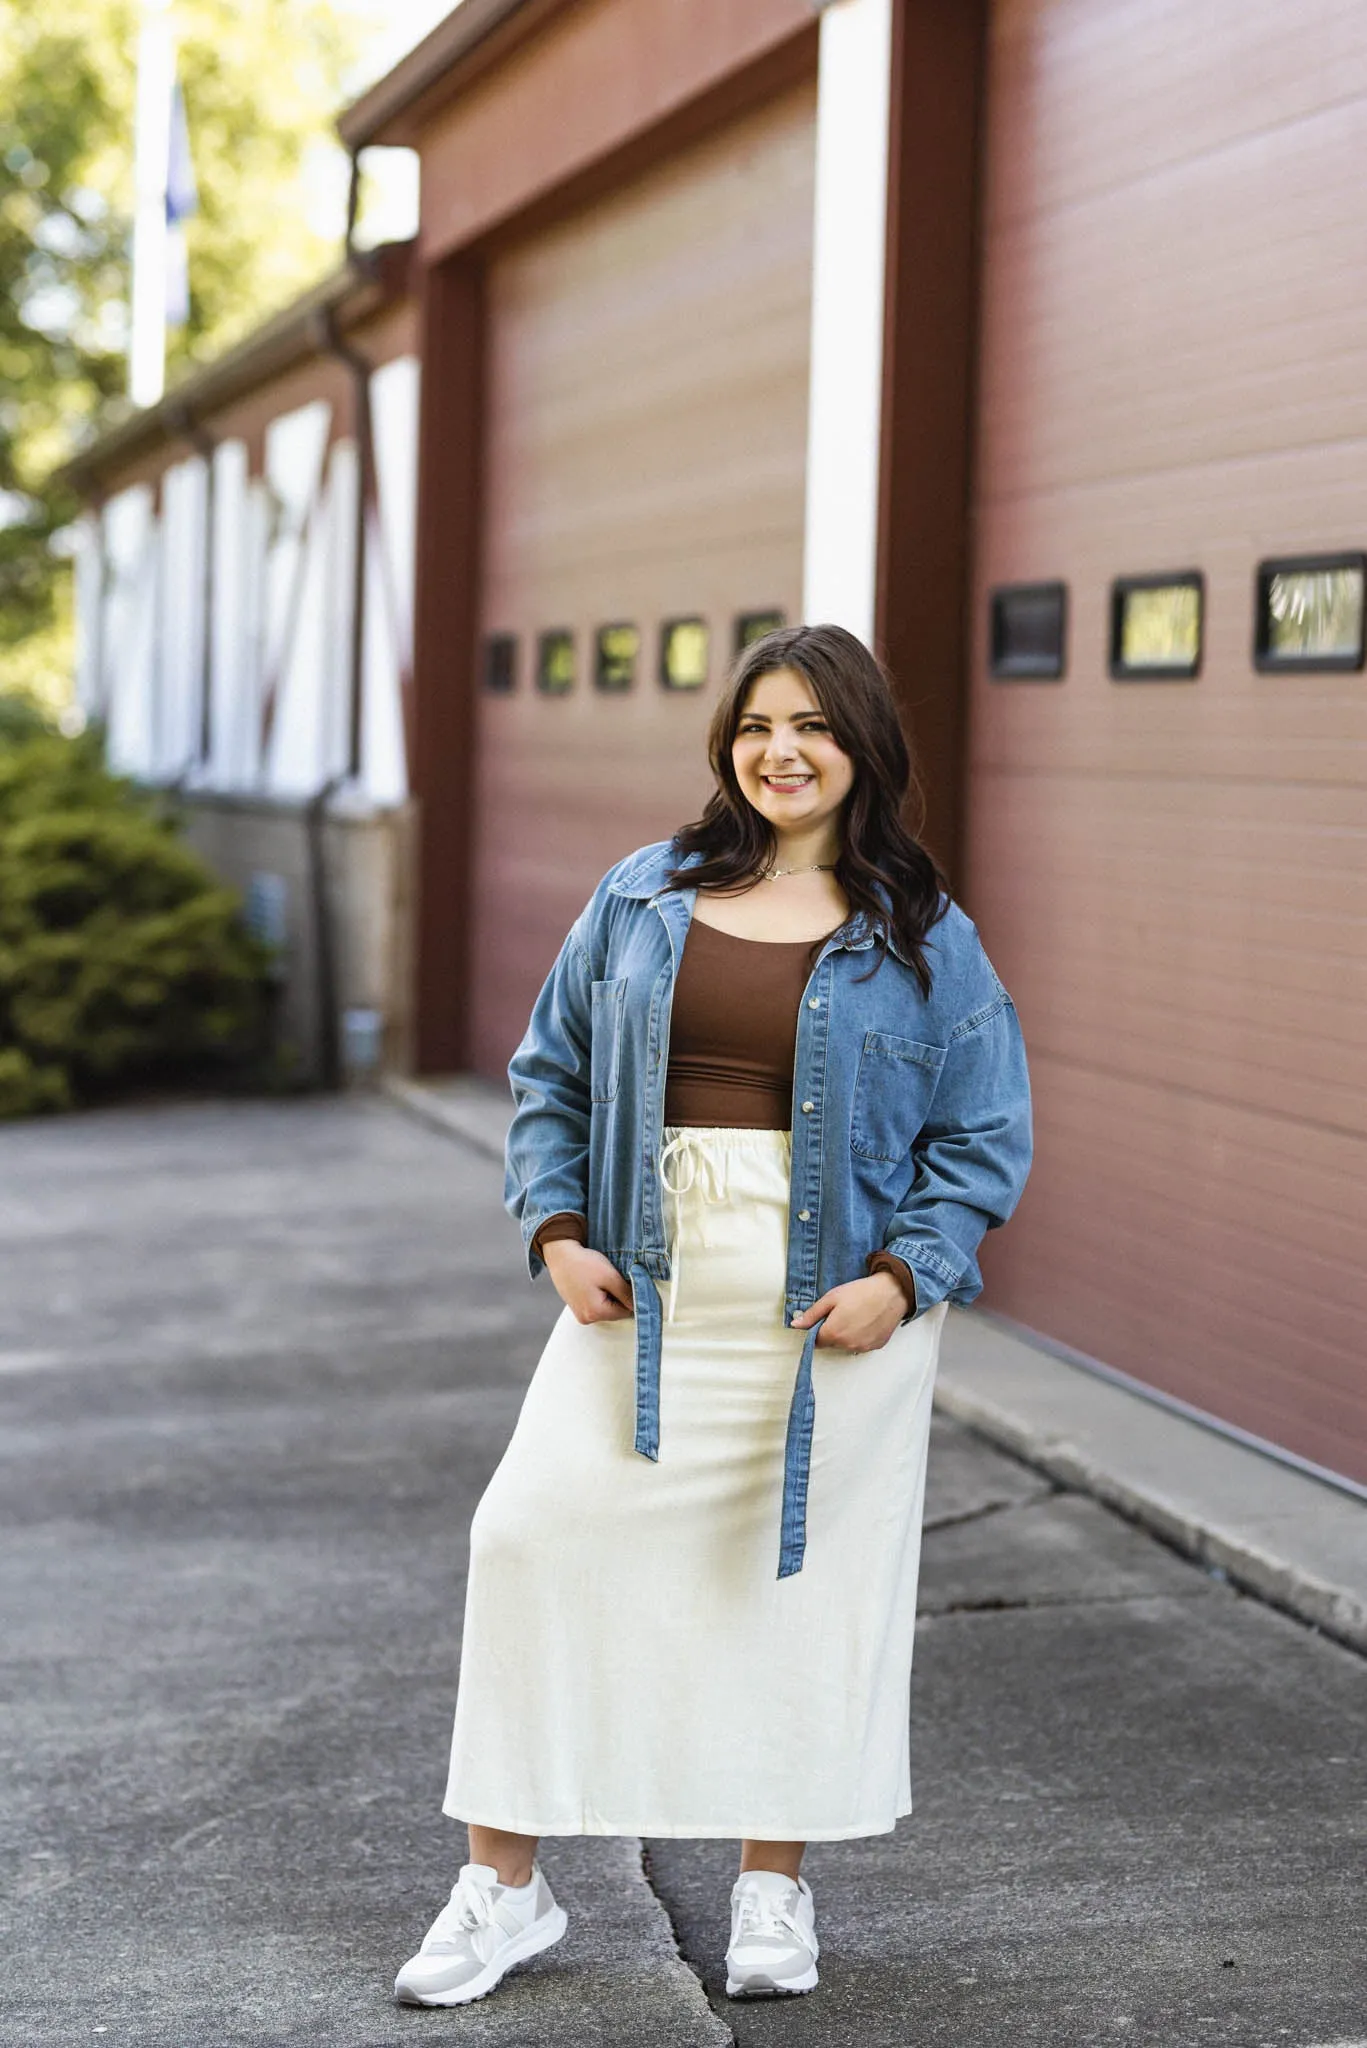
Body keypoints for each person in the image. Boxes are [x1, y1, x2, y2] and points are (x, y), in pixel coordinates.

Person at [394, 622, 1032, 2009]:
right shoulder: (641, 896)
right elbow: (548, 1074)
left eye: (809, 726)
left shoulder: (919, 933)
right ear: (725, 745)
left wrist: (907, 1276)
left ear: (859, 748)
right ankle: (502, 1889)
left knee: (793, 1592)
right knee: (527, 1541)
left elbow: (981, 1138)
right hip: (644, 1296)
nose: (778, 752)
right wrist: (554, 1229)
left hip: (829, 1318)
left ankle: (772, 1891)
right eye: (755, 726)